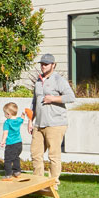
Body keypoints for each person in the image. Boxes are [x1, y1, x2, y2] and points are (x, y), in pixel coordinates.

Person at [30, 53, 74, 187]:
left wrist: (53, 99)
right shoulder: (38, 81)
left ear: (53, 65)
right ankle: (38, 182)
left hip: (55, 124)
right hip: (38, 124)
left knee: (53, 156)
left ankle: (53, 183)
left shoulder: (59, 80)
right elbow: (34, 102)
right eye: (42, 64)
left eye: (46, 64)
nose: (43, 66)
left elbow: (71, 97)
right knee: (35, 154)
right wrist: (30, 121)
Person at [0, 101, 25, 178]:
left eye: (5, 113)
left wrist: (3, 141)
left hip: (11, 144)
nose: (4, 115)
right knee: (16, 157)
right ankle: (17, 171)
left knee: (8, 160)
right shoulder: (18, 120)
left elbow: (5, 133)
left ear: (8, 114)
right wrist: (23, 114)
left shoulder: (7, 122)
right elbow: (22, 118)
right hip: (19, 143)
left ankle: (8, 174)